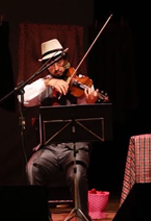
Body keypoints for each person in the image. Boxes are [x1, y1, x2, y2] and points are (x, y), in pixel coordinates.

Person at [19, 39, 104, 220]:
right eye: (51, 64)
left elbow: (90, 119)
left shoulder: (82, 82)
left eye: (59, 61)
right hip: (49, 147)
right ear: (44, 66)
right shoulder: (43, 84)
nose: (56, 67)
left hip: (75, 145)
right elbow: (23, 98)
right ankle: (41, 216)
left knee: (77, 173)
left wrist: (90, 102)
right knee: (31, 168)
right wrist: (48, 84)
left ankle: (82, 215)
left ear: (66, 59)